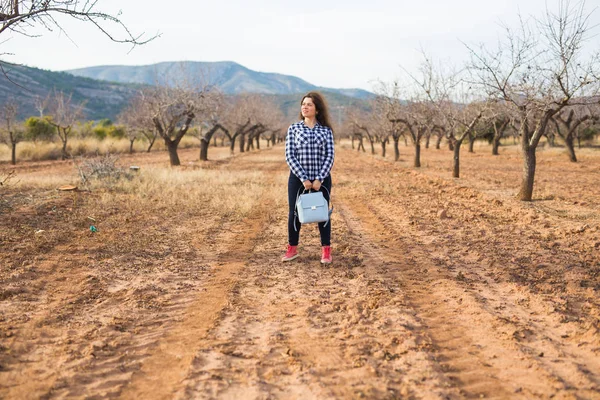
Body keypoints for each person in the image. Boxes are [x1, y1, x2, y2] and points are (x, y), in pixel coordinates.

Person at [282, 92, 335, 264]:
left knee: (322, 213)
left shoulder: (326, 131)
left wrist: (319, 178)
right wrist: (304, 179)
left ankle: (326, 251)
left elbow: (329, 157)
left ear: (317, 109)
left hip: (322, 179)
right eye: (303, 104)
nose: (305, 107)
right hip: (298, 179)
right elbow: (290, 156)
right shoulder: (294, 129)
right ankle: (292, 249)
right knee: (294, 213)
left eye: (309, 104)